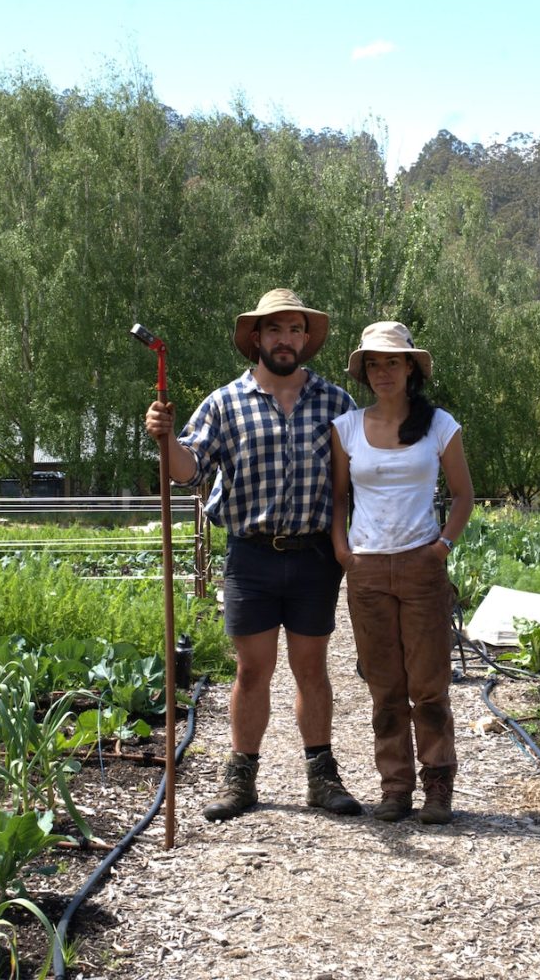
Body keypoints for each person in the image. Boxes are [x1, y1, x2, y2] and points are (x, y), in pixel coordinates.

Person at [145, 288, 361, 822]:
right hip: (252, 558)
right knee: (252, 669)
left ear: (305, 339)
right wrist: (165, 436)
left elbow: (366, 473)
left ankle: (322, 778)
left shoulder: (336, 404)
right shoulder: (224, 403)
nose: (285, 339)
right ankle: (240, 780)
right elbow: (188, 469)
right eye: (274, 330)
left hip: (314, 557)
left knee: (312, 668)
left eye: (294, 330)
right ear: (256, 339)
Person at [331, 321, 474, 825]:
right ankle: (394, 789)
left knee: (429, 683)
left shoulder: (439, 425)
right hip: (367, 569)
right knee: (384, 685)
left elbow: (463, 495)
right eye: (373, 362)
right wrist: (343, 552)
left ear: (410, 367)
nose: (382, 370)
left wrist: (441, 548)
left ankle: (438, 787)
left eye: (392, 360)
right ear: (364, 371)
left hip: (421, 565)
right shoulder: (347, 426)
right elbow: (338, 497)